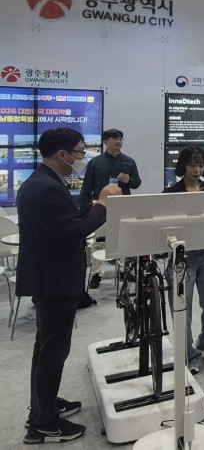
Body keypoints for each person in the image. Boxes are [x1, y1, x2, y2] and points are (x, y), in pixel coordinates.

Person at [17, 128, 121, 444]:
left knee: (46, 346)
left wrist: (92, 205)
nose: (81, 157)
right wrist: (102, 206)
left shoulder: (42, 182)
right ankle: (43, 423)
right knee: (53, 350)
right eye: (79, 151)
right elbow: (71, 232)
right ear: (62, 154)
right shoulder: (45, 187)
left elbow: (66, 221)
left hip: (51, 277)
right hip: (55, 279)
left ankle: (44, 406)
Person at [163, 146, 204, 372]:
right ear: (183, 166)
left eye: (201, 165)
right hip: (182, 256)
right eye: (193, 165)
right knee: (181, 307)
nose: (197, 170)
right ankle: (186, 354)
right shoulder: (170, 193)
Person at [78, 129, 141, 289]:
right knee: (98, 240)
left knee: (123, 237)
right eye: (114, 138)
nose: (118, 141)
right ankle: (96, 273)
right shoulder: (95, 162)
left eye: (120, 138)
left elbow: (137, 183)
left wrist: (128, 180)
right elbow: (87, 186)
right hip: (100, 206)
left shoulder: (129, 161)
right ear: (105, 142)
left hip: (123, 205)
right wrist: (83, 208)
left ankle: (123, 270)